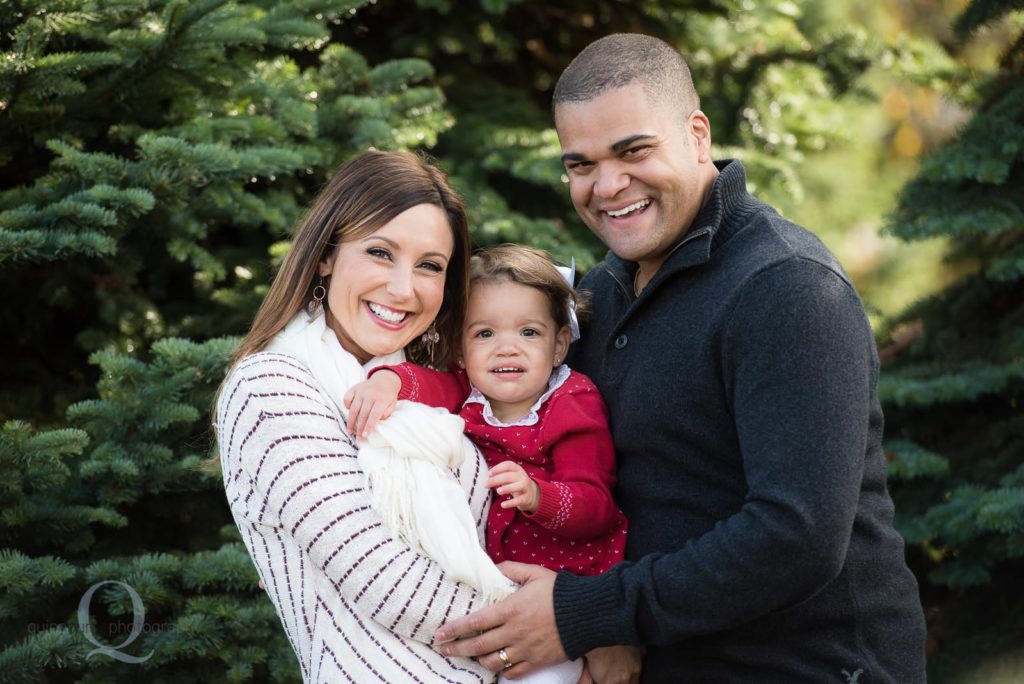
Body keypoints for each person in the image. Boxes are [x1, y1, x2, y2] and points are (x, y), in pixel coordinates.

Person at [433, 33, 927, 683]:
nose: (608, 186)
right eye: (580, 164)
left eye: (633, 150)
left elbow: (797, 538)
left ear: (697, 135)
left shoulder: (788, 288)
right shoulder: (600, 297)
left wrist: (591, 612)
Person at [215, 150, 499, 683]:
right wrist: (556, 625)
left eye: (429, 266)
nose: (402, 288)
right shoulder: (273, 386)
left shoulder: (435, 391)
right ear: (325, 254)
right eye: (379, 252)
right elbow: (386, 582)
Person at [345, 245, 629, 683]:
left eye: (529, 333)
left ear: (559, 345)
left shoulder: (572, 404)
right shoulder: (467, 393)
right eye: (485, 334)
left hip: (561, 595)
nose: (506, 348)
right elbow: (427, 385)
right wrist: (388, 379)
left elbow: (596, 507)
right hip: (489, 592)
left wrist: (540, 496)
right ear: (460, 347)